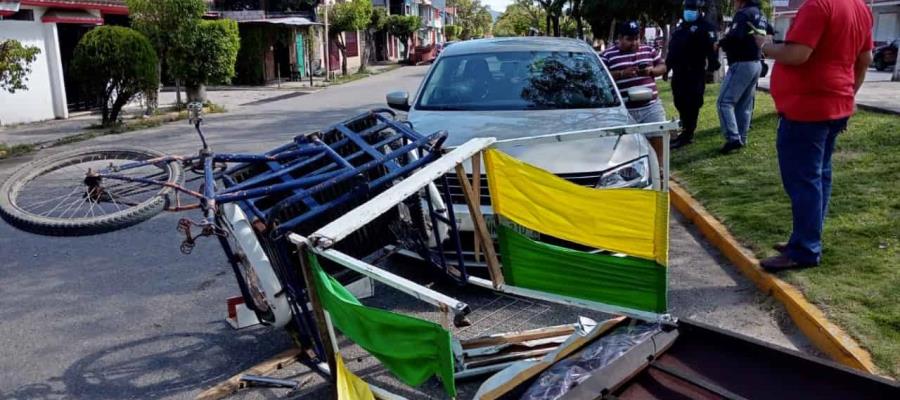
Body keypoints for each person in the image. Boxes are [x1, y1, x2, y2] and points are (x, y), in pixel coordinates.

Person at [756, 0, 873, 271]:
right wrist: (846, 97)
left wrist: (764, 45)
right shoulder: (859, 7)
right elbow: (864, 60)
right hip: (833, 106)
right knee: (819, 176)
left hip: (807, 110)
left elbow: (798, 54)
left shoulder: (818, 5)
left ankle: (805, 249)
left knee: (803, 181)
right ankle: (805, 239)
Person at [667, 0, 720, 149]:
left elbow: (712, 50)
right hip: (678, 72)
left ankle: (687, 133)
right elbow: (673, 50)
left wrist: (712, 66)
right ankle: (684, 128)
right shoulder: (681, 27)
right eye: (687, 8)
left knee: (692, 103)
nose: (688, 11)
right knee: (679, 101)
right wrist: (666, 68)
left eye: (692, 9)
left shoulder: (705, 27)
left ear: (699, 10)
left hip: (694, 72)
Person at [716, 0, 767, 154]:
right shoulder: (760, 14)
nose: (733, 3)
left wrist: (719, 43)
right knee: (744, 105)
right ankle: (741, 139)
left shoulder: (743, 13)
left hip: (742, 63)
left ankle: (733, 138)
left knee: (724, 102)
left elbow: (735, 36)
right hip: (756, 62)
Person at [600, 21, 668, 123]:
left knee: (657, 137)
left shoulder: (649, 50)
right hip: (623, 111)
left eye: (637, 38)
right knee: (627, 139)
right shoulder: (607, 55)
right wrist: (621, 74)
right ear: (620, 38)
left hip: (651, 108)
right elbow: (600, 78)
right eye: (629, 39)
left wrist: (651, 71)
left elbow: (662, 67)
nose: (634, 43)